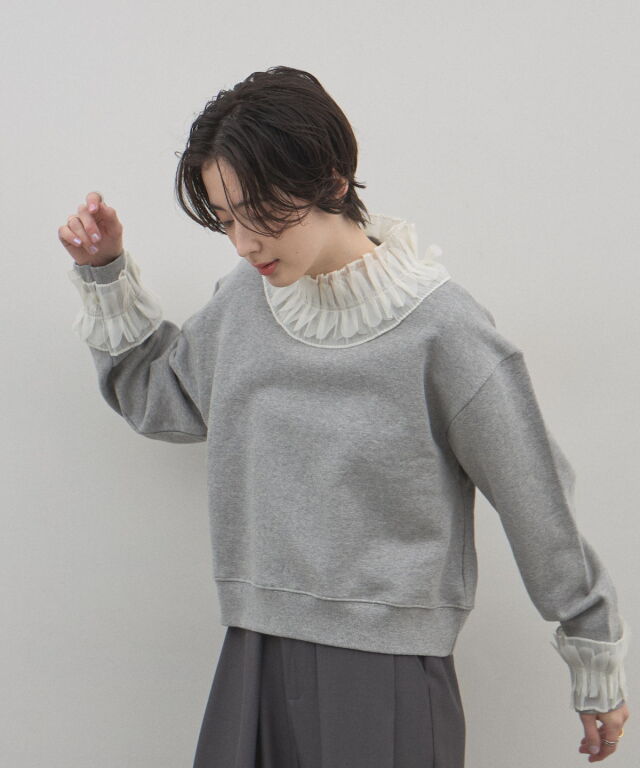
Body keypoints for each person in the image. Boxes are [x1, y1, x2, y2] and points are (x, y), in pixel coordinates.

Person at [59, 66, 630, 766]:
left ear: (330, 181)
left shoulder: (443, 331)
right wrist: (106, 270)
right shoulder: (243, 303)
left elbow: (534, 496)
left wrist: (594, 656)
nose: (243, 243)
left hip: (385, 669)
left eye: (258, 212)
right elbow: (161, 398)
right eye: (226, 219)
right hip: (254, 645)